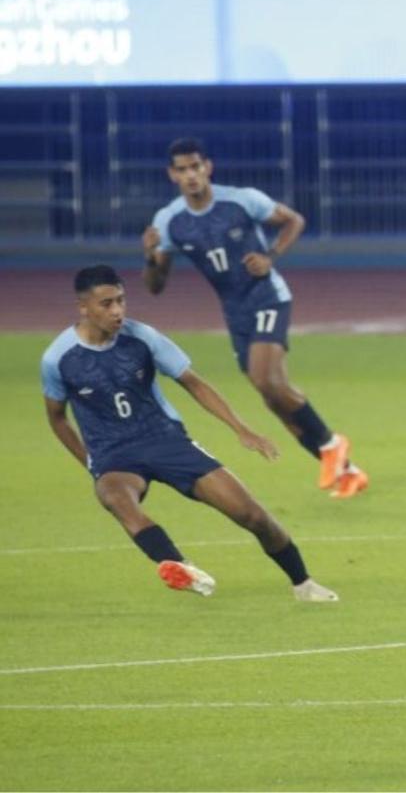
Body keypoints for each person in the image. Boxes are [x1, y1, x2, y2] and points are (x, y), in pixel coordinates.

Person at [41, 265, 339, 603]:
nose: (118, 311)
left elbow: (193, 383)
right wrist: (92, 463)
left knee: (252, 515)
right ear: (83, 307)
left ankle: (303, 584)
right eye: (106, 304)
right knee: (117, 500)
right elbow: (57, 418)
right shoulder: (58, 358)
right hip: (114, 454)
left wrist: (241, 429)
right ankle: (181, 567)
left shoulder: (143, 338)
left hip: (166, 441)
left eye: (121, 301)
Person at [141, 137, 368, 499]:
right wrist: (151, 256)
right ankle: (347, 471)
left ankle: (331, 444)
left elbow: (294, 220)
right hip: (235, 313)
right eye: (182, 170)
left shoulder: (241, 200)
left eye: (196, 167)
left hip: (267, 297)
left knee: (268, 380)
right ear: (173, 175)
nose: (191, 175)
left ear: (207, 168)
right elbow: (155, 285)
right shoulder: (169, 221)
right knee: (274, 399)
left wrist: (270, 255)